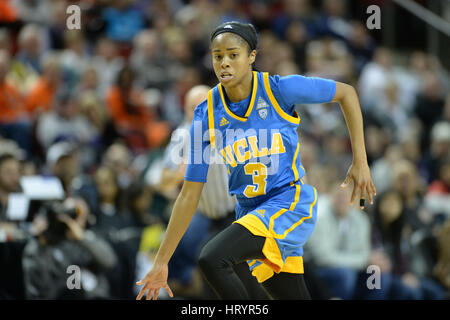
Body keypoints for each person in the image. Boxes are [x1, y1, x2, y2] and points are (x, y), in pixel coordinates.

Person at [136, 21, 376, 300]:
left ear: (251, 56)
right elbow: (189, 195)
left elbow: (346, 93)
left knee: (212, 259)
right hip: (250, 212)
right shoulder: (206, 116)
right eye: (218, 56)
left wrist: (360, 160)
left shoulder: (279, 89)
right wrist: (162, 261)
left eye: (233, 54)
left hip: (288, 203)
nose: (224, 62)